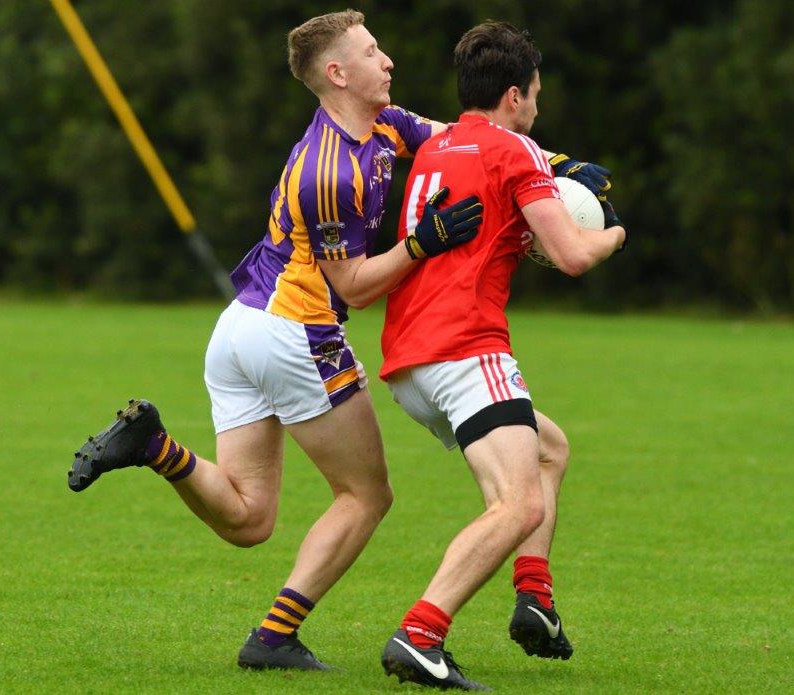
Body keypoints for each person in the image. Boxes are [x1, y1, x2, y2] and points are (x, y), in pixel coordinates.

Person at [66, 10, 608, 675]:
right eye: (372, 51)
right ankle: (331, 634)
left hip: (237, 329)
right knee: (367, 495)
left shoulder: (382, 122)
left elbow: (464, 135)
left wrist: (557, 163)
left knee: (249, 517)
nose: (387, 60)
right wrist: (418, 244)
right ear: (336, 73)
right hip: (296, 333)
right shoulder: (328, 171)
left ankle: (154, 447)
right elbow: (352, 287)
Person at [378, 22, 627, 691]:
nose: (538, 107)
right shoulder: (515, 150)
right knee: (518, 505)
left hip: (409, 360)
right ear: (514, 95)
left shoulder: (439, 145)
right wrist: (614, 232)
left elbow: (501, 174)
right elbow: (574, 254)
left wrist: (550, 173)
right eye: (536, 95)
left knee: (549, 449)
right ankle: (421, 633)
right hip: (465, 346)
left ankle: (535, 600)